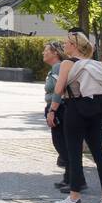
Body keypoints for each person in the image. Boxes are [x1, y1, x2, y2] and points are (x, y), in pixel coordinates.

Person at [53, 31, 102, 203]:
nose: (64, 46)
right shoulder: (96, 64)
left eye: (66, 43)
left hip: (75, 110)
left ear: (73, 45)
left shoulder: (67, 63)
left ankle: (74, 198)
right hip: (96, 110)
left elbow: (58, 89)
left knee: (74, 154)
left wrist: (53, 109)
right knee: (100, 154)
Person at [42, 41, 75, 191]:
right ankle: (69, 178)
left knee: (62, 144)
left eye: (46, 50)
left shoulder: (58, 67)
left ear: (55, 52)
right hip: (57, 107)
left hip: (59, 108)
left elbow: (58, 90)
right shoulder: (56, 67)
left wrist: (52, 110)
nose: (43, 52)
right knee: (62, 144)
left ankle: (75, 179)